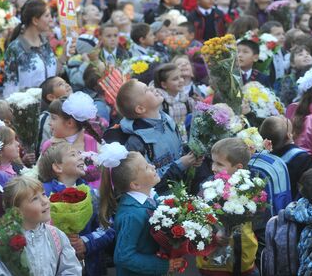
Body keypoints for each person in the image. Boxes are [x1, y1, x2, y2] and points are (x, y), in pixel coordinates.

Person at [97, 145, 185, 275]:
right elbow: (123, 257)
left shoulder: (152, 197)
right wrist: (164, 265)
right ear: (135, 184)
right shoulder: (131, 215)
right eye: (146, 167)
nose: (153, 166)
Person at [38, 142, 115, 276]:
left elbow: (108, 227)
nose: (80, 157)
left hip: (90, 267)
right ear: (57, 167)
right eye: (73, 155)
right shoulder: (43, 194)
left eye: (79, 153)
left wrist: (85, 242)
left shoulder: (92, 194)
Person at [0, 176, 82, 275]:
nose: (45, 201)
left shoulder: (56, 236)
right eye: (35, 199)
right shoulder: (4, 243)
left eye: (43, 194)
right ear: (17, 211)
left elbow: (71, 269)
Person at [115, 79, 199, 194]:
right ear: (140, 109)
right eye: (146, 90)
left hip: (182, 190)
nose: (152, 88)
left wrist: (191, 157)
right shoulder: (137, 142)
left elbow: (176, 151)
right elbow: (149, 183)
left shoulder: (167, 120)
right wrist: (180, 165)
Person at [196, 138, 259, 275]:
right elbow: (199, 218)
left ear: (238, 167)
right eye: (212, 161)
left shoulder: (250, 190)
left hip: (242, 256)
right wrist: (214, 234)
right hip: (212, 262)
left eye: (219, 164)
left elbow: (258, 223)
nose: (213, 168)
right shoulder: (206, 187)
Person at [4, 0, 63, 96]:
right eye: (47, 16)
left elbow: (52, 75)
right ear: (35, 20)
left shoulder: (45, 43)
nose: (51, 20)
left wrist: (64, 56)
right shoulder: (15, 48)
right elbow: (10, 88)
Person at [259, 116, 312, 199]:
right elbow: (308, 189)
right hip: (287, 205)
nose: (283, 117)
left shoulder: (258, 154)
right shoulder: (301, 158)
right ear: (289, 135)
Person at [153, 63, 193, 139]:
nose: (181, 80)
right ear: (164, 85)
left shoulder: (187, 101)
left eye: (181, 76)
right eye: (175, 79)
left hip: (186, 140)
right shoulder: (160, 103)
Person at [37, 76, 73, 151]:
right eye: (60, 84)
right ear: (51, 97)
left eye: (66, 82)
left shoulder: (78, 112)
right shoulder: (45, 119)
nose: (67, 85)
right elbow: (44, 150)